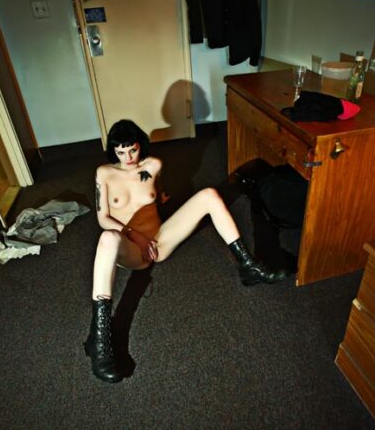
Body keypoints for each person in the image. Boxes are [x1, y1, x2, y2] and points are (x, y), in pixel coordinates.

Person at [84, 119, 287, 383]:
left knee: (209, 195)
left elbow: (155, 190)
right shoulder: (104, 173)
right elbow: (103, 217)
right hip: (130, 247)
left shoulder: (154, 165)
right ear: (113, 151)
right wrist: (135, 236)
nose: (128, 157)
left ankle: (249, 266)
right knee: (107, 238)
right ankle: (99, 340)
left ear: (140, 145)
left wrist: (160, 200)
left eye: (132, 150)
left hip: (159, 242)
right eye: (121, 152)